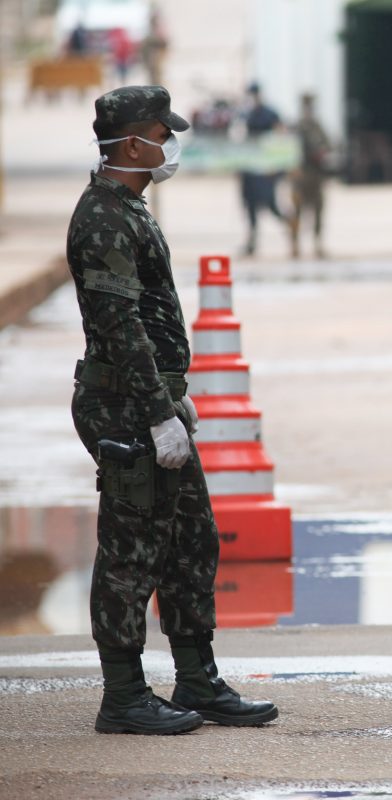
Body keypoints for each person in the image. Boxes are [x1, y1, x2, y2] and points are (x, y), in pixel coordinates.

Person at [69, 85, 279, 734]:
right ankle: (124, 696)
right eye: (162, 135)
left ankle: (198, 679)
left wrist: (173, 399)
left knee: (192, 541)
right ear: (132, 143)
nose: (169, 146)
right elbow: (119, 325)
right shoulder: (103, 217)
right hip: (125, 405)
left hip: (153, 400)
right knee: (131, 550)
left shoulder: (129, 207)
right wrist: (159, 412)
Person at [239, 82, 294, 256]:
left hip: (267, 169)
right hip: (251, 168)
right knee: (251, 207)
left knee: (271, 206)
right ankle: (252, 243)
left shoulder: (270, 114)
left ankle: (293, 231)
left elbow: (280, 139)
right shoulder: (246, 115)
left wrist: (279, 165)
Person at [290, 92, 331, 258]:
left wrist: (322, 151)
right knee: (297, 210)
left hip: (316, 174)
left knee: (319, 209)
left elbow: (328, 143)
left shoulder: (317, 126)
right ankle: (295, 245)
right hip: (301, 174)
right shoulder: (297, 127)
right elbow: (290, 149)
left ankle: (317, 244)